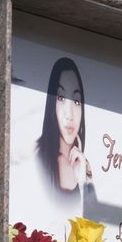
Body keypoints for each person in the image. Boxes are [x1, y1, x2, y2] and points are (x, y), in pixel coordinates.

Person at [36, 56, 98, 210]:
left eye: (76, 101)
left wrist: (84, 180)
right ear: (52, 103)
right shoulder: (38, 157)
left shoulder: (84, 165)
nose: (69, 115)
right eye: (61, 98)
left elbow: (94, 218)